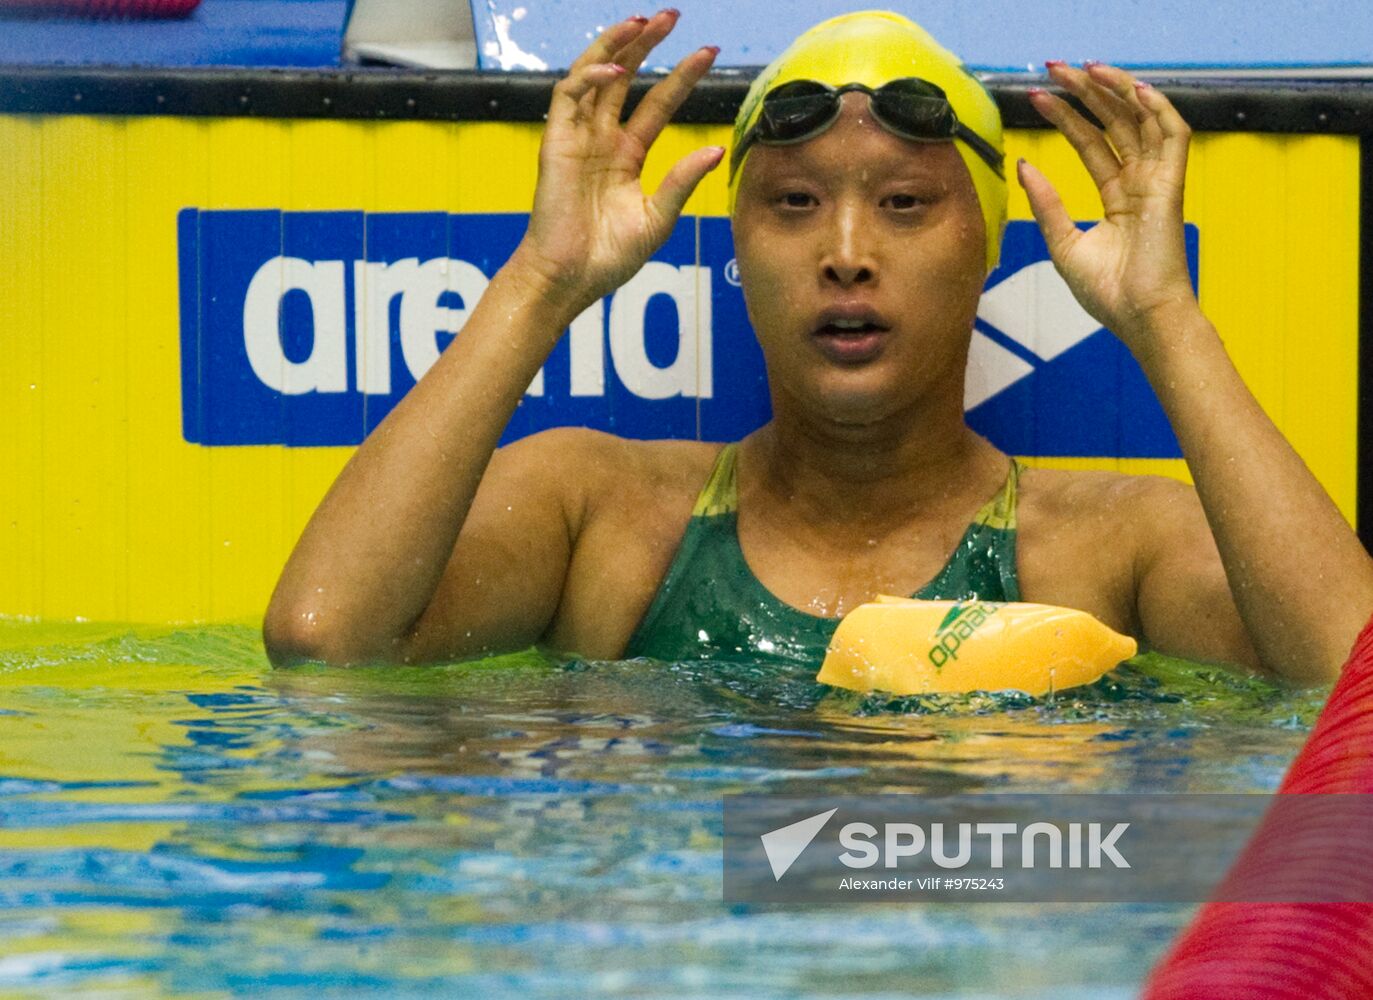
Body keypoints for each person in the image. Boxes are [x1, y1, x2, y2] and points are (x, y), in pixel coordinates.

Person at [263, 9, 1373, 683]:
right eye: (791, 204)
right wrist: (542, 280)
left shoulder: (1102, 549)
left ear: (985, 248)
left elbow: (1350, 687)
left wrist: (1161, 321)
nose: (844, 252)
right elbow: (325, 642)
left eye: (902, 205)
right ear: (737, 245)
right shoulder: (603, 515)